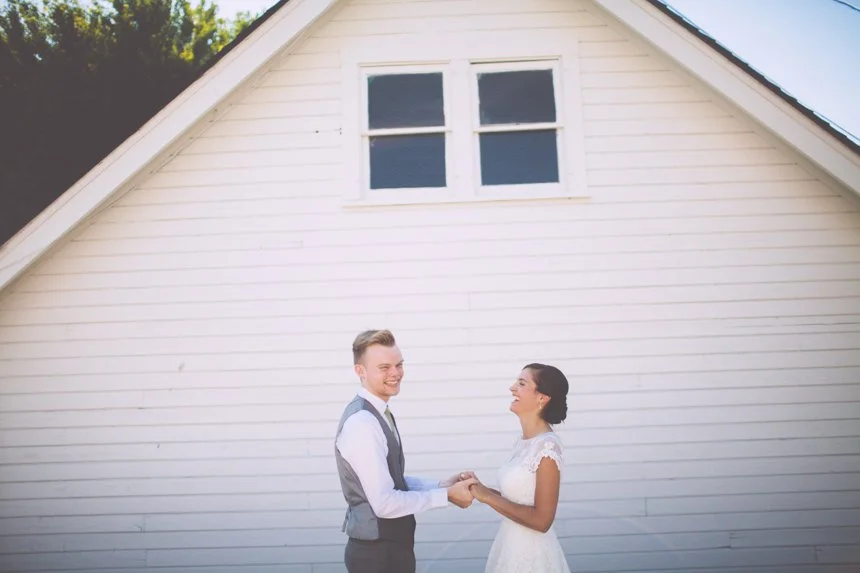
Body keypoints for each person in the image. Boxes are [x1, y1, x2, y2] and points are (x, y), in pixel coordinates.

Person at [334, 329, 477, 573]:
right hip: (376, 556)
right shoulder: (363, 423)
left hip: (389, 550)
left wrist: (441, 485)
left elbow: (391, 481)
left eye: (399, 365)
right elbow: (384, 503)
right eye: (384, 367)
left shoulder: (378, 413)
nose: (395, 373)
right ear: (360, 371)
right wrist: (447, 496)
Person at [468, 363, 572, 573]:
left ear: (542, 397)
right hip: (509, 545)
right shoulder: (523, 442)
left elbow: (542, 520)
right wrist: (479, 489)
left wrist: (487, 497)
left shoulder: (547, 447)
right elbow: (515, 501)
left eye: (521, 383)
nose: (512, 388)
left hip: (532, 554)